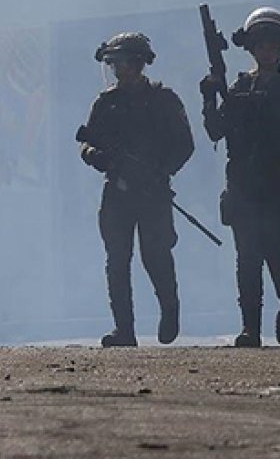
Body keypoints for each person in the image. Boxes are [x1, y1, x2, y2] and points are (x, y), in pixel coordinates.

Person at [200, 7, 280, 348]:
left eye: (272, 45)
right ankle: (251, 329)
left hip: (279, 186)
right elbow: (215, 131)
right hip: (244, 187)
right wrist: (209, 97)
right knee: (247, 260)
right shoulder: (237, 88)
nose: (266, 51)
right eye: (260, 44)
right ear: (252, 48)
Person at [79, 32, 194, 347]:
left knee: (155, 255)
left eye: (125, 63)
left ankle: (170, 308)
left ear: (139, 63)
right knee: (117, 259)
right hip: (117, 192)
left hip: (153, 192)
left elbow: (185, 144)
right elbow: (87, 141)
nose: (120, 70)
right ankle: (124, 330)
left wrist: (161, 171)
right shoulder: (106, 102)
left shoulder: (163, 100)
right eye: (115, 64)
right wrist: (96, 157)